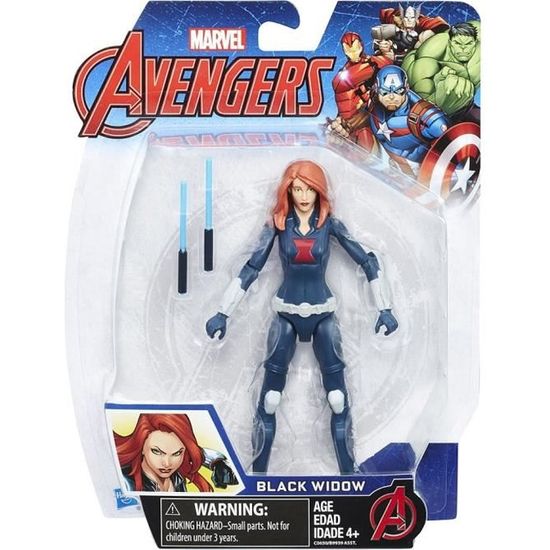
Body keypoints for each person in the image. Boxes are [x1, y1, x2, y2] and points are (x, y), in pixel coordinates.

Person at [206, 160, 398, 474]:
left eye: (309, 189)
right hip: (286, 313)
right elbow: (252, 267)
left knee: (337, 399)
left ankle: (348, 476)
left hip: (323, 315)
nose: (304, 195)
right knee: (269, 399)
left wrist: (384, 307)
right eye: (297, 189)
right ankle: (258, 476)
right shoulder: (278, 225)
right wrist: (222, 312)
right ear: (288, 191)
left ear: (319, 190)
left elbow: (368, 261)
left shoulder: (329, 225)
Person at [114, 413, 237, 492]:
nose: (167, 463)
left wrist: (218, 462)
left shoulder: (177, 478)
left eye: (177, 453)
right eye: (156, 451)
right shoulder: (126, 483)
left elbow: (194, 452)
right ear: (141, 447)